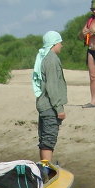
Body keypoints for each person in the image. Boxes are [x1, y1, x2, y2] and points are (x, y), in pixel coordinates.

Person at [33, 31, 67, 164]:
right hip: (50, 107)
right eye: (60, 43)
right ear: (54, 44)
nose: (61, 46)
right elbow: (52, 87)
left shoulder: (44, 57)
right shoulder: (51, 59)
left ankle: (45, 167)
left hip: (44, 105)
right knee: (48, 139)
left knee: (45, 139)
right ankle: (46, 170)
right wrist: (59, 109)